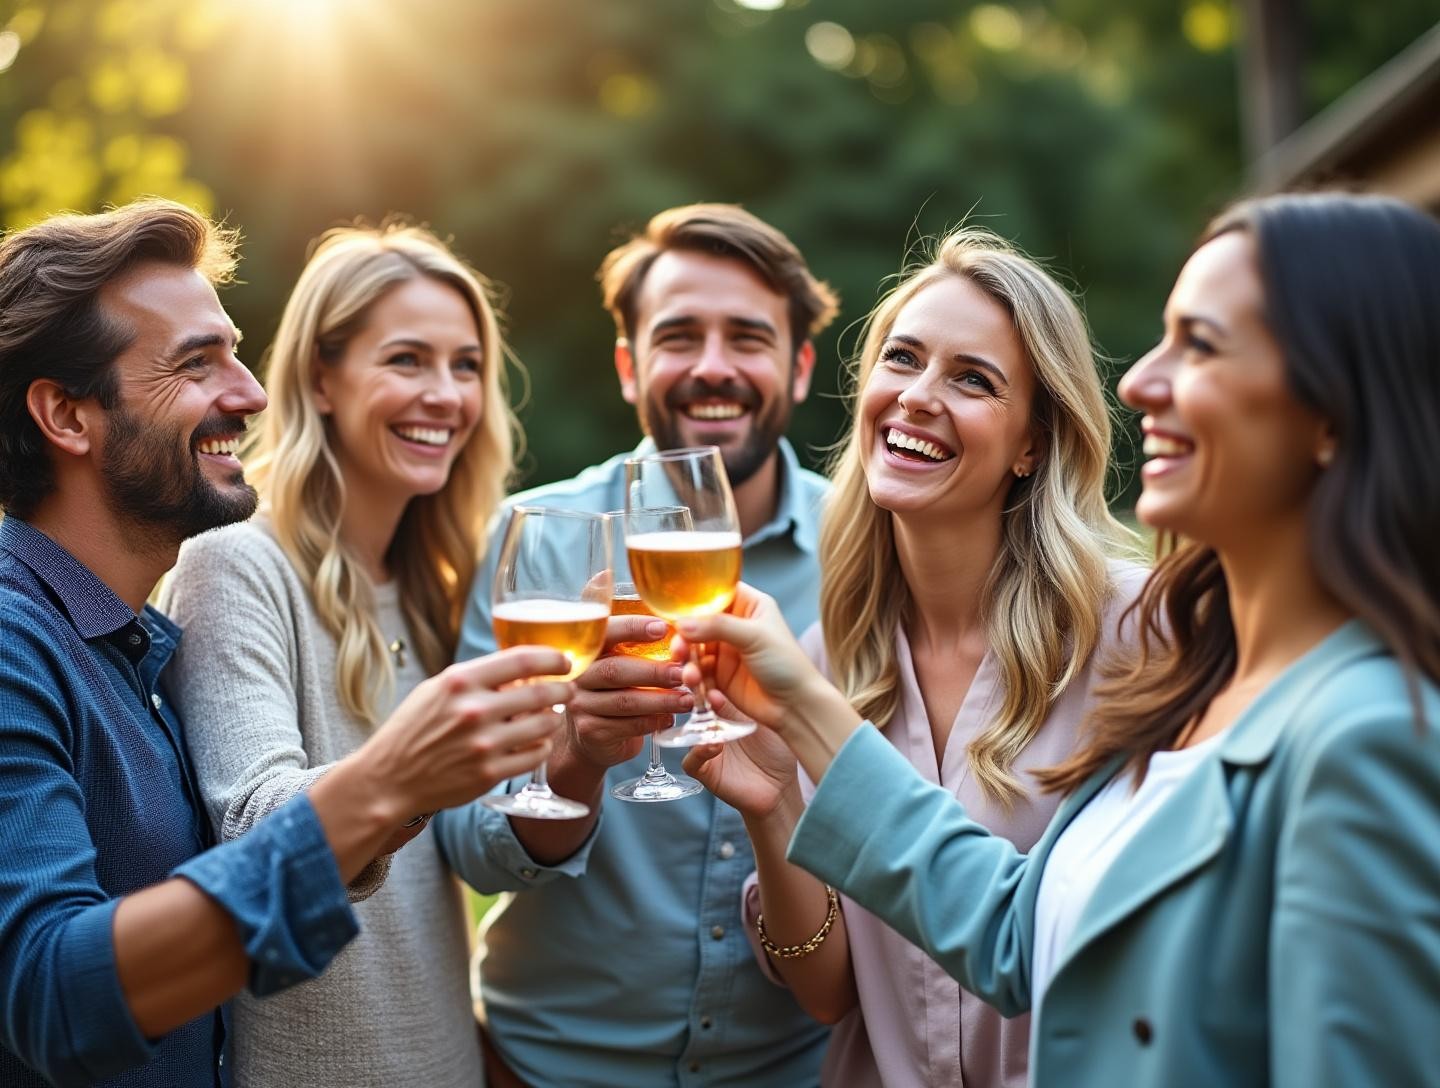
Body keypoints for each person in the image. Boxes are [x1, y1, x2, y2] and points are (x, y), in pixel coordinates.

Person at [672, 192, 1440, 1087]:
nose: (1139, 382)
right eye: (904, 359)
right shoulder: (1209, 677)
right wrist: (787, 760)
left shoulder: (1314, 712)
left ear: (1335, 412)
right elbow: (1011, 932)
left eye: (1201, 344)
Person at [0, 200, 568, 1088]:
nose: (253, 393)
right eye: (197, 363)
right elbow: (51, 998)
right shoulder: (14, 640)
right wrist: (390, 782)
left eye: (234, 350)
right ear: (67, 418)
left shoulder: (130, 644)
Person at [684, 226, 1145, 1088]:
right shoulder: (825, 659)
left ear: (1034, 443)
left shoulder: (1133, 633)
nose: (918, 396)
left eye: (972, 379)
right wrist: (774, 803)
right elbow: (827, 994)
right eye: (902, 360)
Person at [433, 203, 839, 1086]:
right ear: (629, 365)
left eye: (749, 338)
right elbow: (468, 844)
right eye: (679, 336)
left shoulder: (868, 552)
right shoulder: (536, 541)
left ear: (800, 366)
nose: (714, 368)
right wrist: (575, 757)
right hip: (547, 1071)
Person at [158, 223, 541, 1087]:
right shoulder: (236, 564)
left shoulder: (435, 583)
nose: (444, 394)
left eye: (466, 365)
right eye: (406, 360)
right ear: (322, 379)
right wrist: (406, 770)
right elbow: (253, 828)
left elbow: (440, 876)